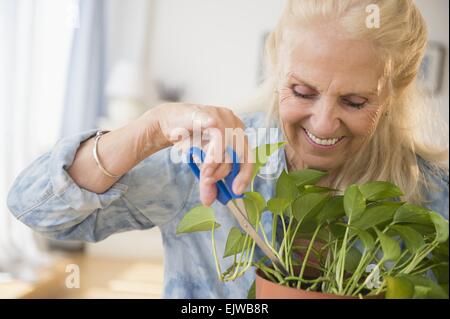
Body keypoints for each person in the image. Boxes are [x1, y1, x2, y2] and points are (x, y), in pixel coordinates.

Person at [7, 0, 449, 298]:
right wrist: (149, 130)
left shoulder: (433, 199)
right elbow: (37, 211)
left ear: (396, 91)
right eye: (301, 91)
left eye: (354, 102)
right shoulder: (213, 159)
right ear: (276, 64)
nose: (323, 122)